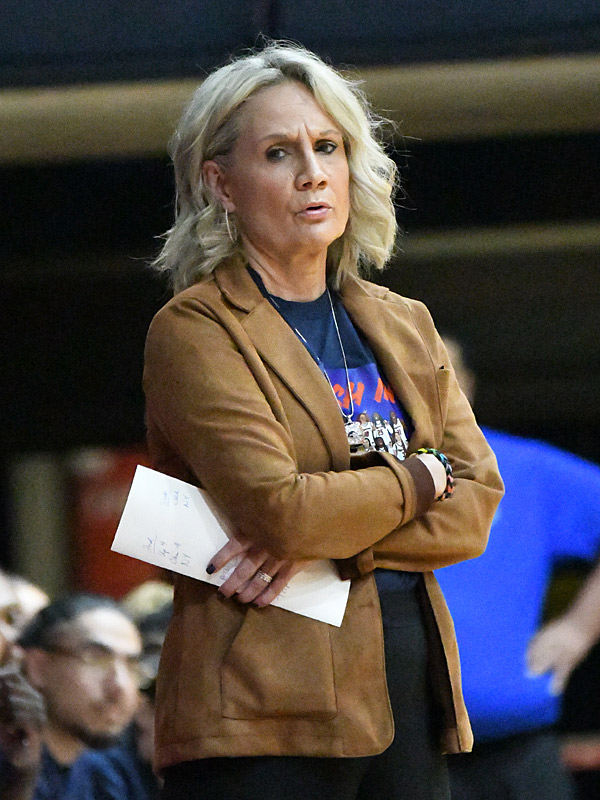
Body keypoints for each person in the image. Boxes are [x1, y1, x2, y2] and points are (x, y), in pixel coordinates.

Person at [144, 41, 503, 800]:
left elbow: (475, 507)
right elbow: (280, 510)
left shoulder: (404, 321)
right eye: (278, 152)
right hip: (261, 699)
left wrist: (324, 530)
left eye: (328, 146)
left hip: (406, 684)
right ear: (222, 184)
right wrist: (419, 476)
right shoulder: (197, 329)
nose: (312, 171)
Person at [436, 337, 600, 800]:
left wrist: (577, 630)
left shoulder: (520, 469)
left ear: (467, 384)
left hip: (518, 746)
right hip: (393, 748)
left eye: (444, 371)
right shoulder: (352, 475)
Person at [12, 593, 142, 799]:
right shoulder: (11, 766)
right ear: (37, 666)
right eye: (96, 658)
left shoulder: (110, 776)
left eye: (132, 665)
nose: (120, 686)